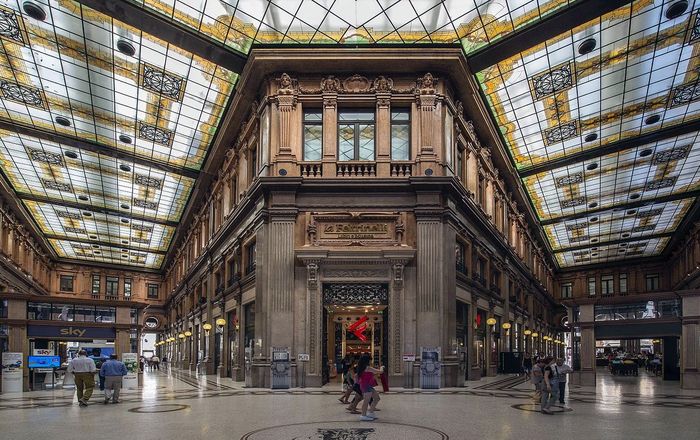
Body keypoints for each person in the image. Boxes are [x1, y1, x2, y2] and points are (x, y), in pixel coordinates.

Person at [356, 354, 383, 421]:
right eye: (370, 360)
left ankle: (370, 412)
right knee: (366, 401)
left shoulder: (362, 367)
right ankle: (363, 415)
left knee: (377, 398)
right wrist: (382, 367)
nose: (371, 361)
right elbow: (380, 372)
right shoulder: (367, 368)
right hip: (366, 386)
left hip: (368, 385)